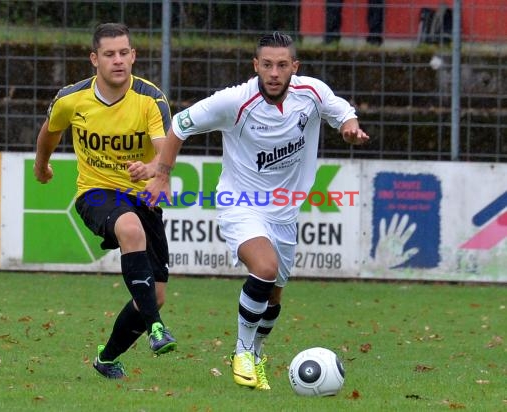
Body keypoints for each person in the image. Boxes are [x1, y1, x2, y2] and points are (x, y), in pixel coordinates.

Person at [146, 32, 369, 390]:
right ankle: (242, 352)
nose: (275, 72)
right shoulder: (234, 101)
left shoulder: (311, 93)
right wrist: (162, 174)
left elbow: (341, 112)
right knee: (264, 269)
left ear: (294, 67)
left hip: (285, 213)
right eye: (267, 64)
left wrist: (349, 128)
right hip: (240, 203)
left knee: (274, 296)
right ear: (256, 66)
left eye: (282, 65)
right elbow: (180, 125)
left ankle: (257, 353)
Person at [33, 22, 177, 380]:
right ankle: (157, 330)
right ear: (94, 59)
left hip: (141, 197)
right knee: (130, 229)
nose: (118, 61)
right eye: (109, 54)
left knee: (155, 294)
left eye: (124, 53)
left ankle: (107, 358)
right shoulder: (72, 98)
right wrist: (42, 165)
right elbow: (50, 130)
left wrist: (154, 169)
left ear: (133, 56)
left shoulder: (151, 99)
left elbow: (165, 152)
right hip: (95, 193)